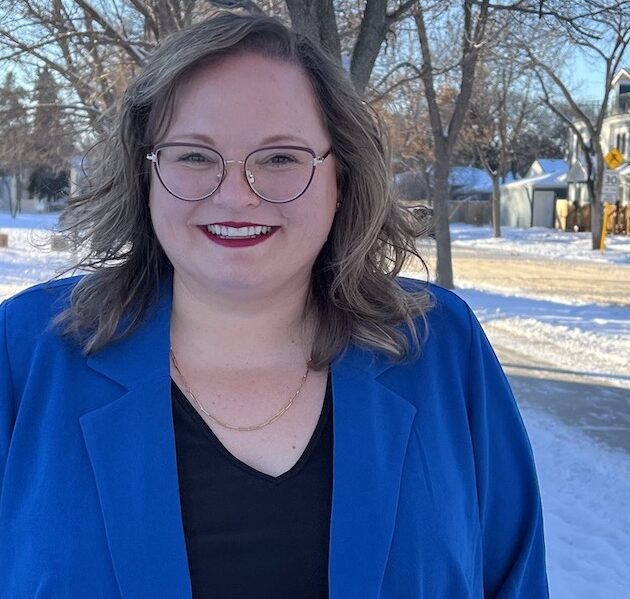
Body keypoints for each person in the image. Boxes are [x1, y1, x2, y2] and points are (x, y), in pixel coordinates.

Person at [0, 13, 548, 598]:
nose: (235, 195)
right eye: (193, 156)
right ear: (146, 175)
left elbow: (512, 577)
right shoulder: (28, 352)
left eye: (281, 158)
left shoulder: (439, 348)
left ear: (342, 177)